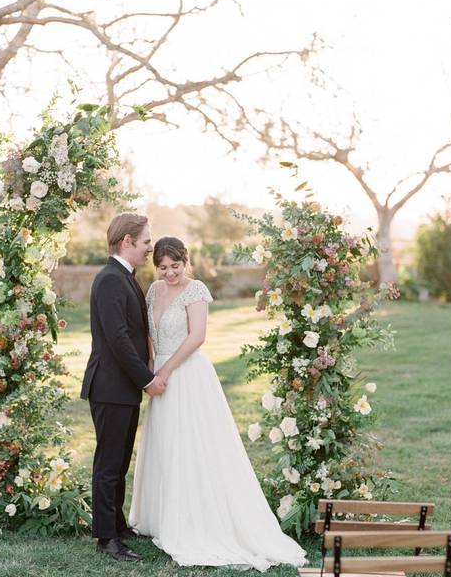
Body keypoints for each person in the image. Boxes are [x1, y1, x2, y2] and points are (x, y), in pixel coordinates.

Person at [128, 236, 307, 571]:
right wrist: (151, 369)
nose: (169, 273)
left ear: (185, 261)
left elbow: (197, 337)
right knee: (165, 444)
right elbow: (150, 334)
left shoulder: (195, 290)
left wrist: (165, 370)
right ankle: (162, 517)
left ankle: (196, 520)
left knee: (192, 445)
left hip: (187, 374)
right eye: (163, 267)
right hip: (160, 376)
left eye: (175, 266)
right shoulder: (153, 290)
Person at [80, 212, 166, 562]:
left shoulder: (124, 277)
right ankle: (106, 538)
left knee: (118, 463)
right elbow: (117, 340)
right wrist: (147, 379)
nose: (150, 248)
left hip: (121, 388)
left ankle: (116, 523)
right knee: (109, 464)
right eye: (146, 241)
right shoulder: (111, 280)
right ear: (127, 241)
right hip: (111, 387)